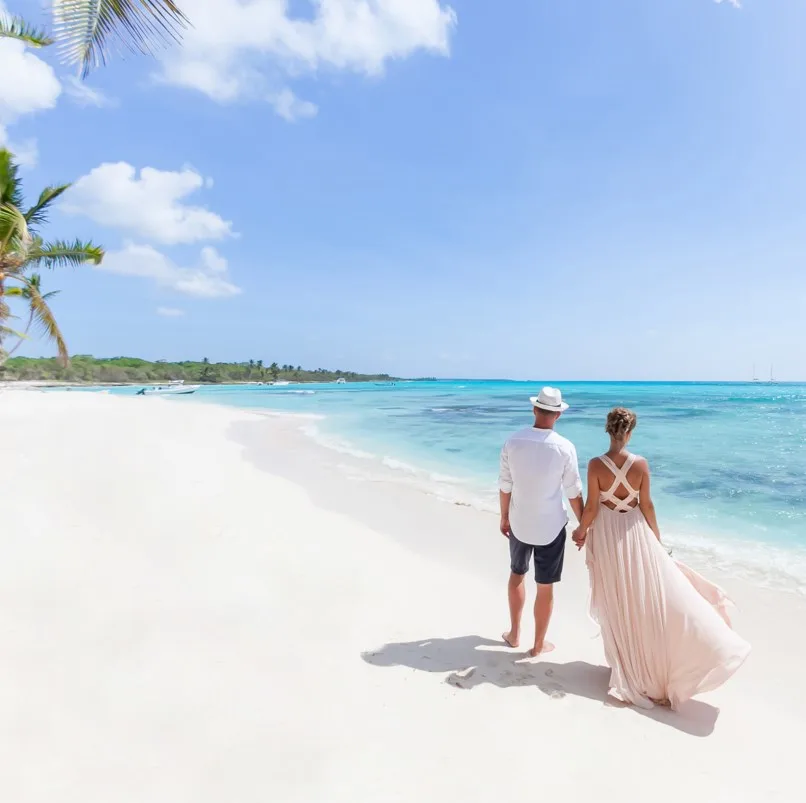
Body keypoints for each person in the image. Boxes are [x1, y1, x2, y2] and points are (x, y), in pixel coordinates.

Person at [573, 407, 751, 710]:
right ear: (629, 433)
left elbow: (591, 508)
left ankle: (628, 667)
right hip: (635, 533)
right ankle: (648, 668)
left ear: (607, 429)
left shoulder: (594, 465)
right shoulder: (640, 464)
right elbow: (647, 506)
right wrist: (655, 540)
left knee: (618, 600)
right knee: (645, 599)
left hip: (607, 537)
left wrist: (580, 531)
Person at [499, 387, 584, 657]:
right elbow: (573, 492)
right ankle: (538, 645)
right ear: (558, 415)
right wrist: (584, 525)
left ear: (535, 409)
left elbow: (505, 485)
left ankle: (514, 634)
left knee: (517, 575)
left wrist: (504, 516)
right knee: (545, 586)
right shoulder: (565, 447)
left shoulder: (513, 441)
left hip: (519, 521)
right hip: (551, 526)